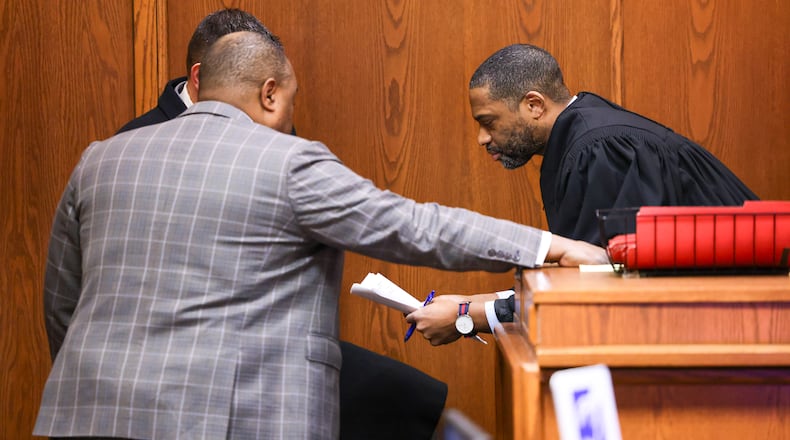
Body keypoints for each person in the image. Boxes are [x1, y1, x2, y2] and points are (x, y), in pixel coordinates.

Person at [34, 31, 607, 439]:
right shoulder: (283, 162)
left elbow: (63, 299)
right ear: (269, 93)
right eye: (291, 100)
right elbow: (414, 226)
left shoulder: (100, 159)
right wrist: (549, 246)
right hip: (229, 420)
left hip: (88, 412)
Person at [115, 8, 447, 439]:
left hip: (272, 344)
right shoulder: (132, 149)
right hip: (174, 358)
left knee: (410, 398)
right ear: (202, 77)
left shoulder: (272, 127)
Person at [406, 43, 758, 346]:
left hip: (743, 326)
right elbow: (586, 273)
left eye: (489, 121)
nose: (483, 138)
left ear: (534, 105)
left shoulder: (600, 150)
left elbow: (603, 287)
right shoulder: (585, 137)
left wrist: (468, 315)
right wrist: (470, 303)